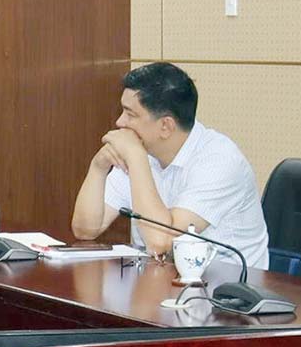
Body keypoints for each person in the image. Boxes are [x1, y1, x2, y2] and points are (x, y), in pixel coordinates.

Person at [71, 61, 270, 268]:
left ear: (166, 126)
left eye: (130, 114)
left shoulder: (220, 161)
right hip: (159, 285)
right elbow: (85, 230)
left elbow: (161, 243)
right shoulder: (142, 150)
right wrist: (98, 167)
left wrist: (136, 158)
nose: (120, 123)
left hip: (227, 291)